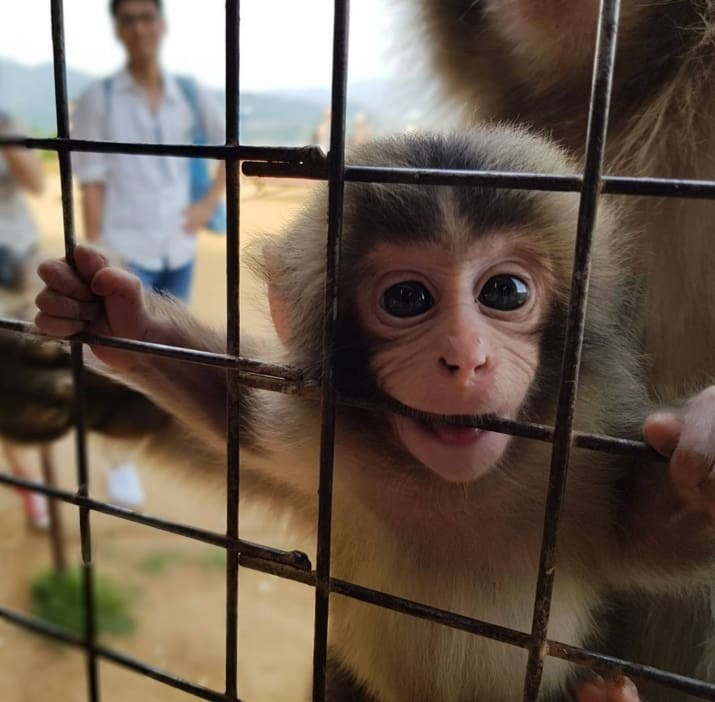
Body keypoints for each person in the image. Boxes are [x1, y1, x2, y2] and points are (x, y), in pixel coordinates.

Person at [70, 0, 226, 507]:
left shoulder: (188, 93)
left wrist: (205, 207)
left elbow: (229, 148)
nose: (139, 27)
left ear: (161, 25)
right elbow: (91, 179)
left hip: (176, 244)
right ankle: (120, 462)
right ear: (119, 30)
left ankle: (154, 434)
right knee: (117, 358)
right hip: (125, 244)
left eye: (146, 16)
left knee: (162, 350)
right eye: (128, 18)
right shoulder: (101, 98)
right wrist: (97, 250)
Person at [0, 110, 49, 529]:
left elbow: (36, 182)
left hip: (13, 272)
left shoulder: (6, 120)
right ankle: (30, 481)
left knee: (14, 384)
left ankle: (30, 482)